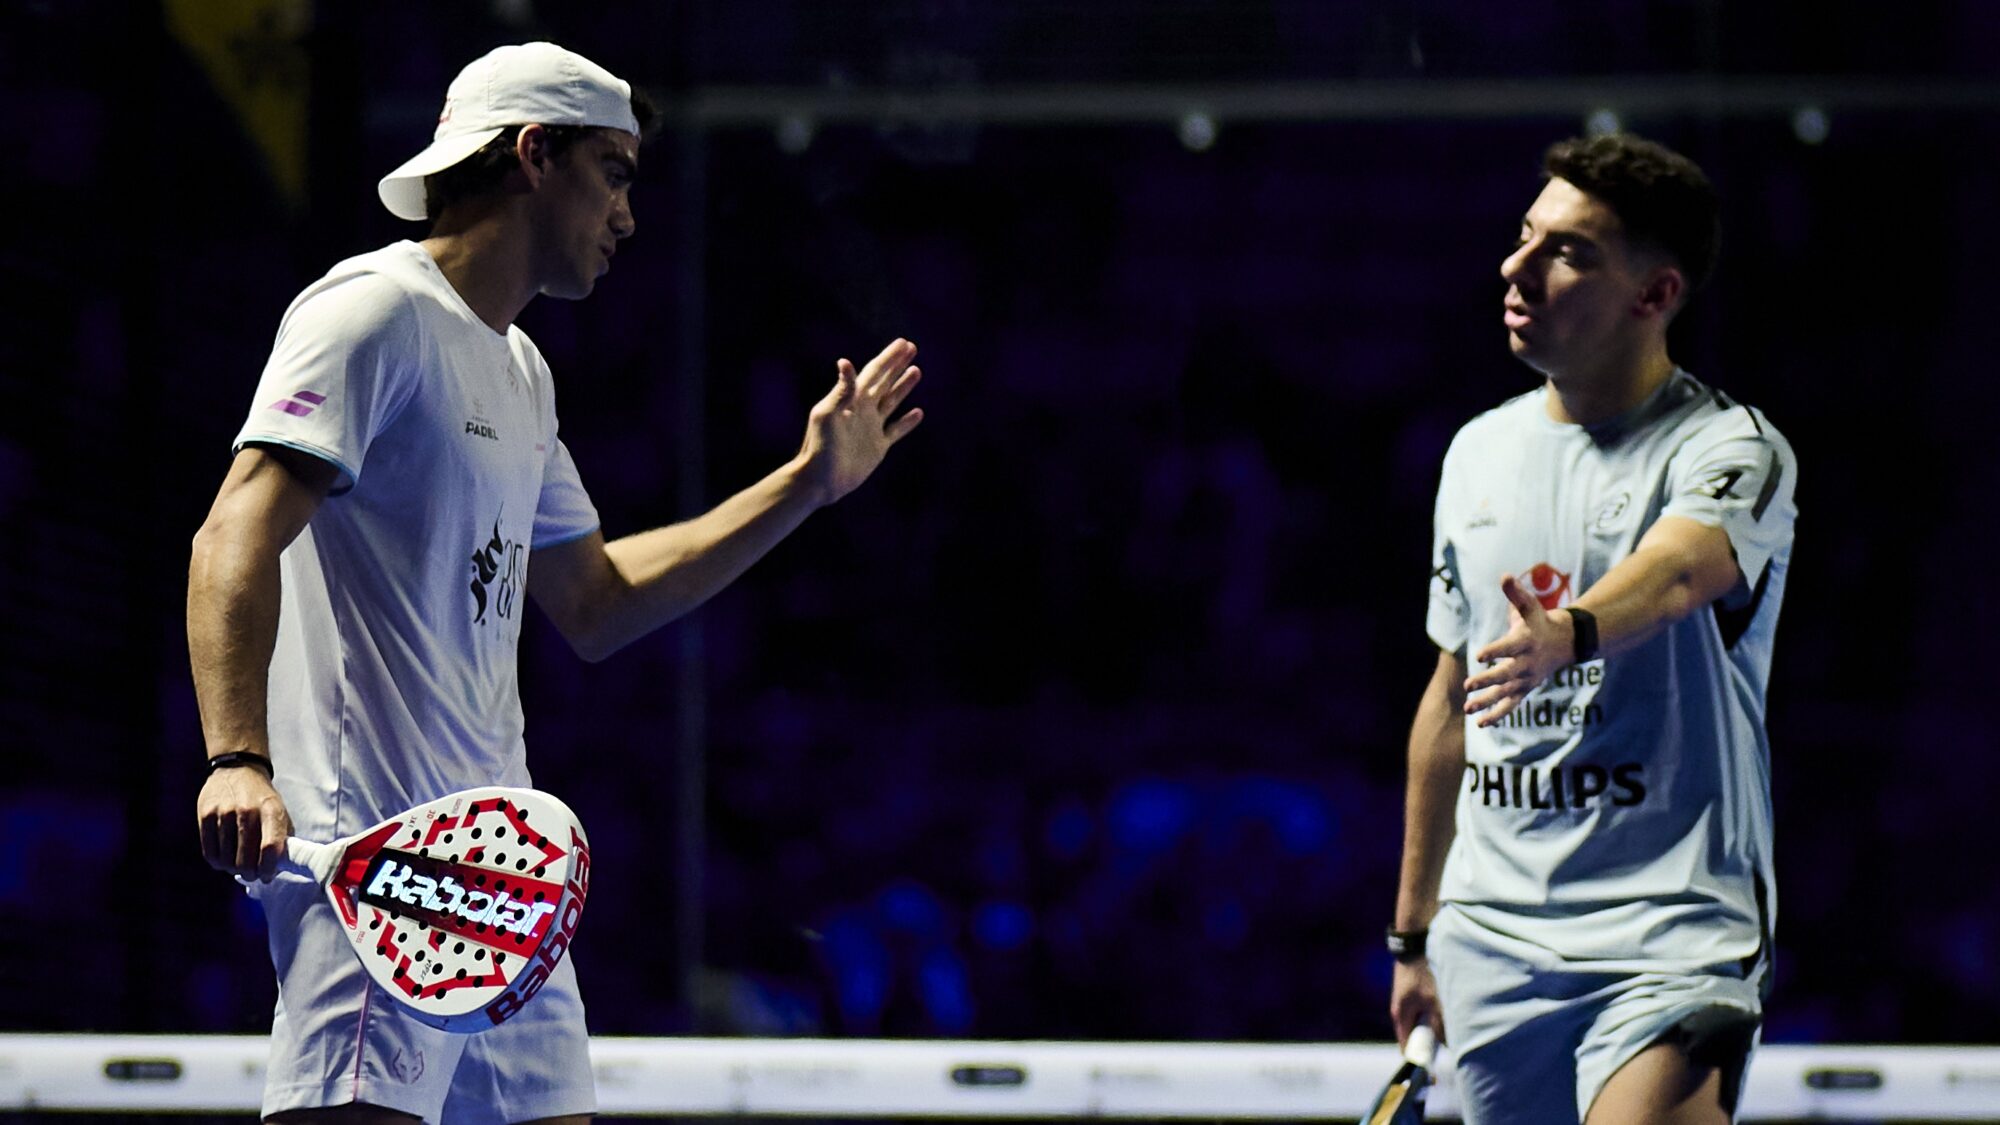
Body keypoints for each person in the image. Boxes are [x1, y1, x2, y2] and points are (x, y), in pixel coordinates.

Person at [188, 42, 924, 1124]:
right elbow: (231, 531)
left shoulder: (521, 371)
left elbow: (597, 599)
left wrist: (806, 487)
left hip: (501, 881)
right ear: (534, 154)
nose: (628, 214)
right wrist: (236, 759)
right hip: (374, 868)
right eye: (615, 173)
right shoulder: (369, 312)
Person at [1387, 132, 1797, 1125]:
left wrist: (1567, 631)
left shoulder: (1729, 447)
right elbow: (1448, 697)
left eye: (1565, 252)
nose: (1514, 267)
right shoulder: (1476, 453)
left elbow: (1677, 570)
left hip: (1669, 929)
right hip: (1492, 940)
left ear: (1651, 296)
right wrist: (1411, 937)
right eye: (1523, 236)